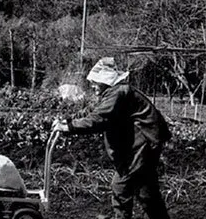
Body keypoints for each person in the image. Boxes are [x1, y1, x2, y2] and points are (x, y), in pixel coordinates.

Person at [52, 57, 172, 219]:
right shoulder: (113, 93)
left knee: (121, 186)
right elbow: (94, 112)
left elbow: (99, 119)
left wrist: (69, 127)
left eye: (95, 82)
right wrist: (67, 120)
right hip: (144, 143)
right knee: (146, 191)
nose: (92, 85)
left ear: (104, 81)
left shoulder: (118, 93)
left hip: (144, 142)